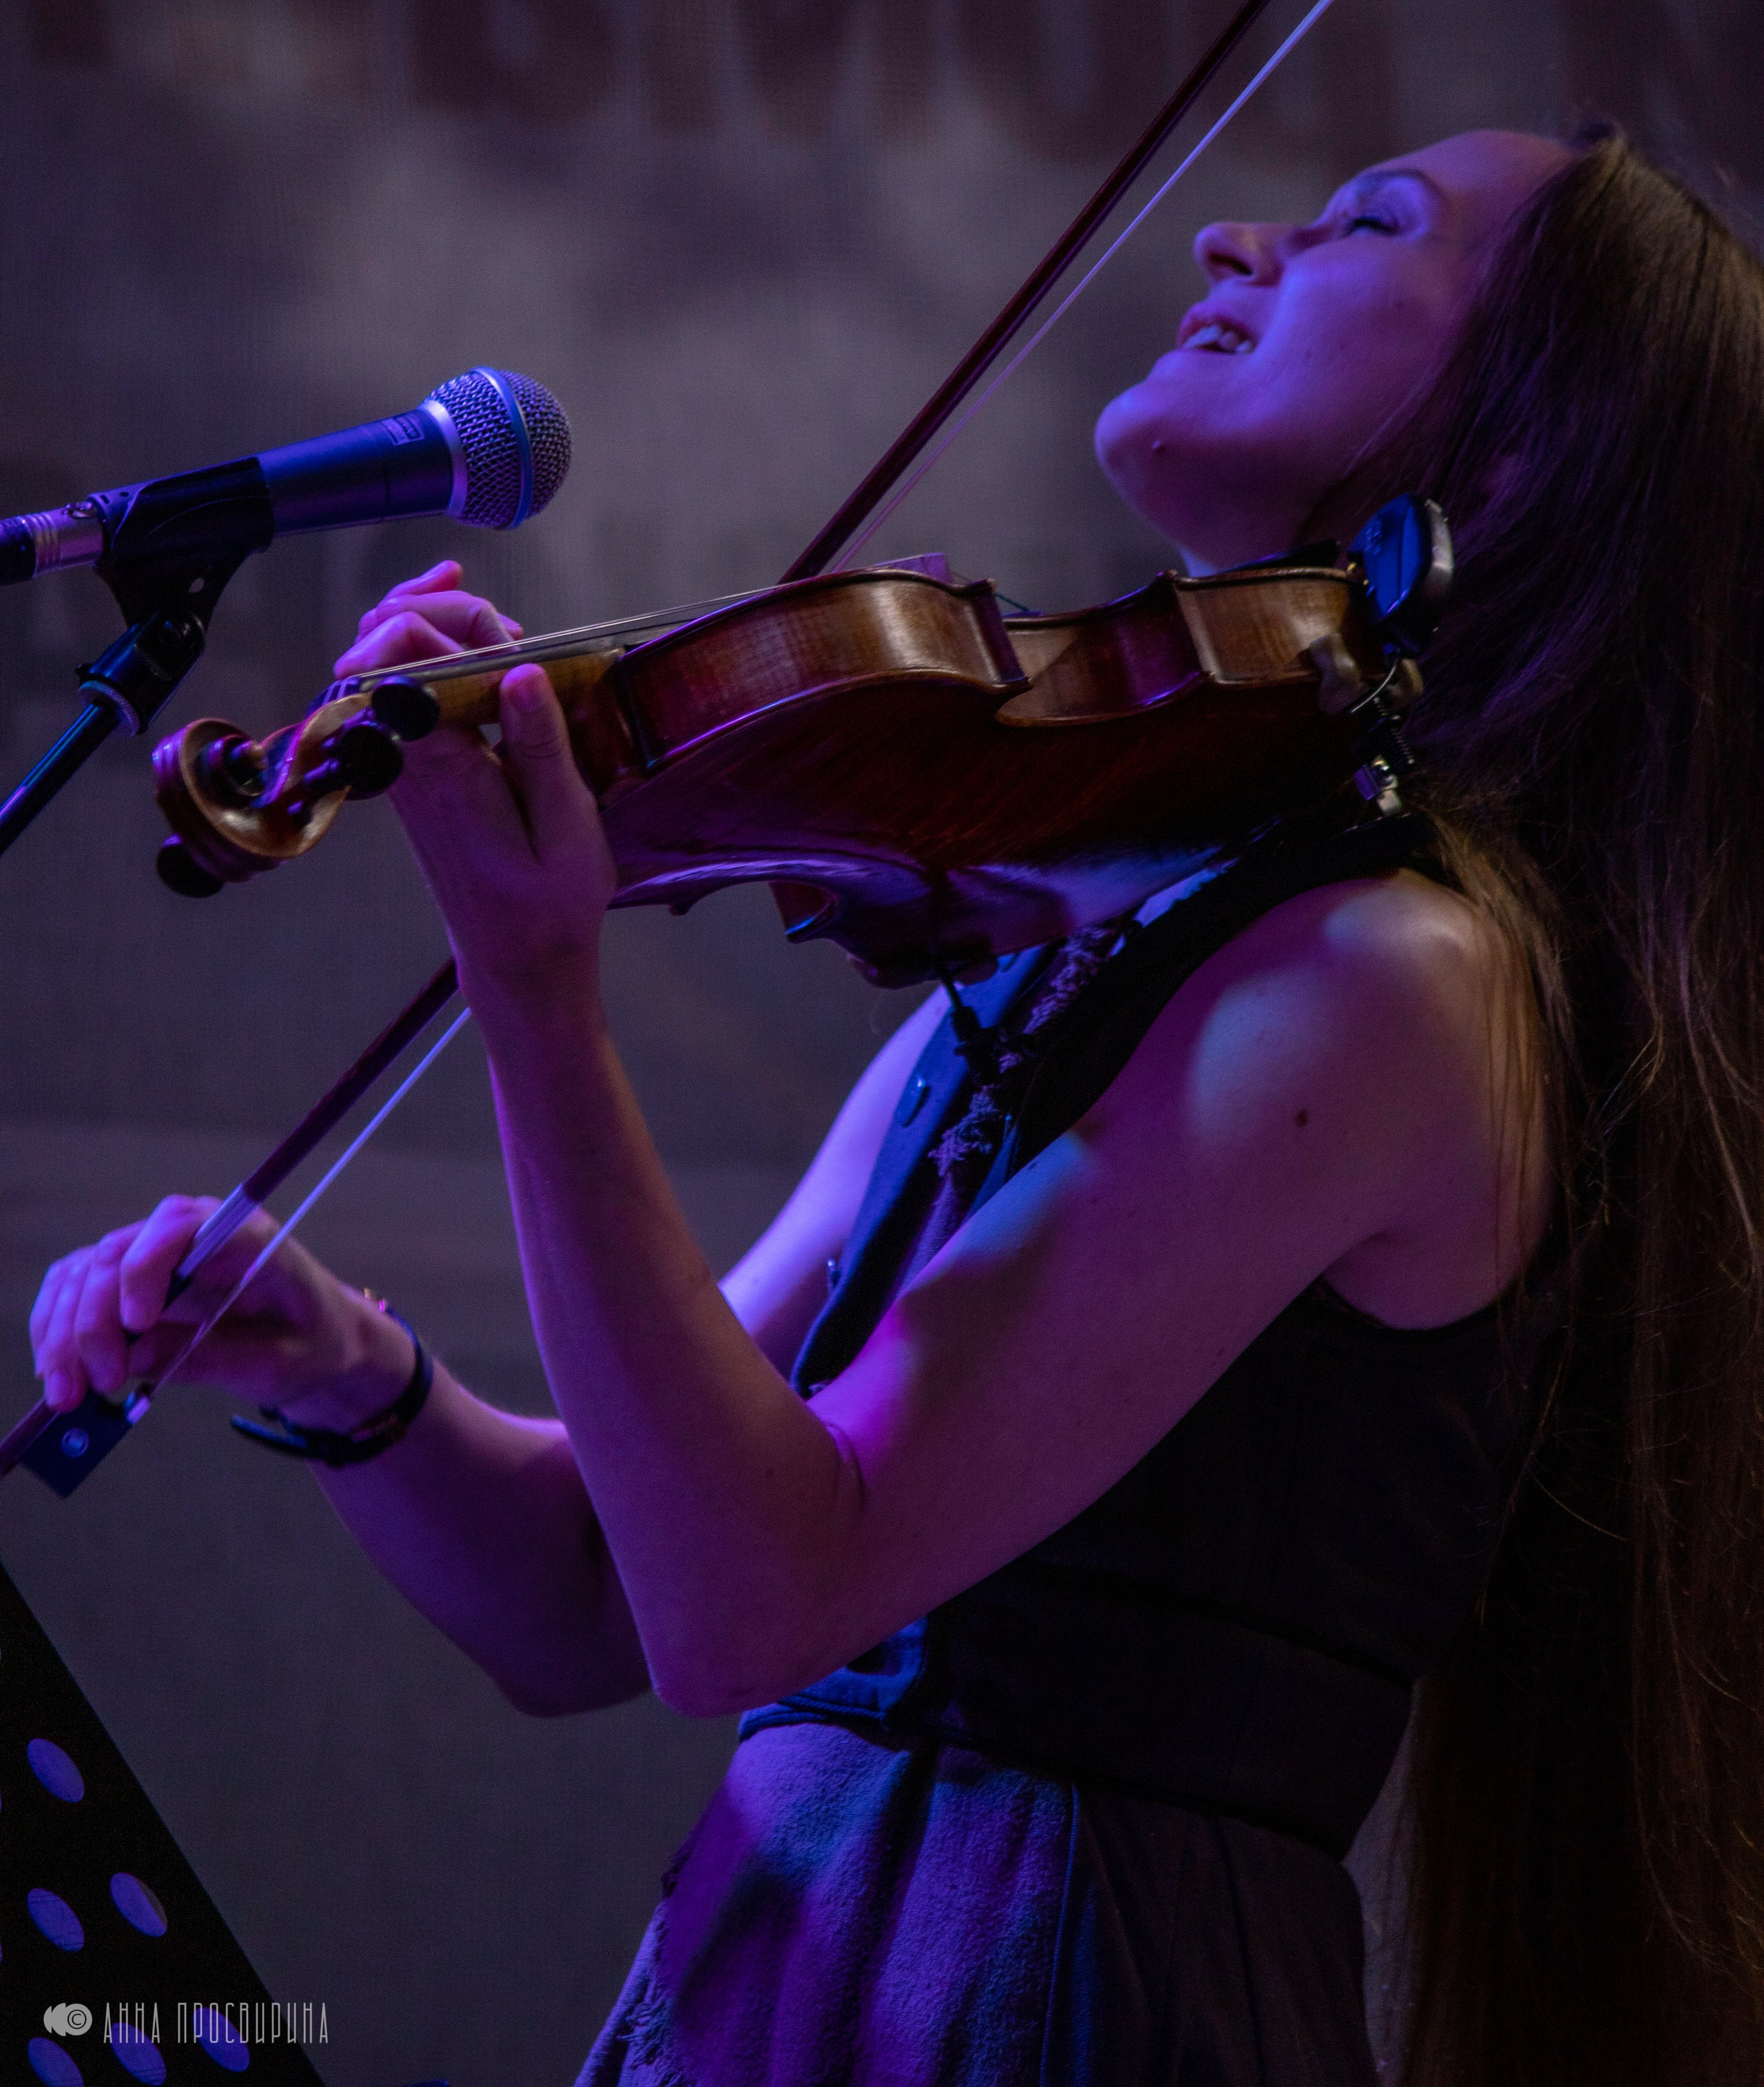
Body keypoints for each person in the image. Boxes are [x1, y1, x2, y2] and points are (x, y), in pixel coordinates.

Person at [30, 127, 1764, 2086]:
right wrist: (354, 1377)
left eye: (1371, 223)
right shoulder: (1077, 947)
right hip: (805, 1965)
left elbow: (754, 1597)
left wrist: (537, 981)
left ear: (1523, 461)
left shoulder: (1389, 984)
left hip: (1048, 1996)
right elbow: (597, 1581)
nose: (1234, 231)